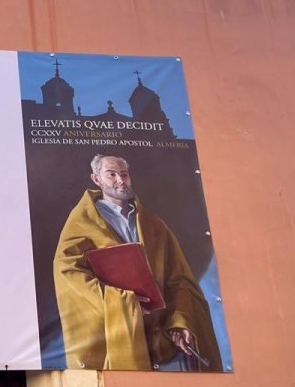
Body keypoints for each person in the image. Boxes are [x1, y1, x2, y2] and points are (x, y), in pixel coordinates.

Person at [53, 154, 220, 370]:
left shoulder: (153, 224)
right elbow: (68, 272)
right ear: (96, 179)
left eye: (124, 174)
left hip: (162, 342)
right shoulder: (81, 222)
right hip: (114, 335)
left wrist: (179, 322)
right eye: (112, 174)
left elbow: (179, 280)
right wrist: (124, 302)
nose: (120, 180)